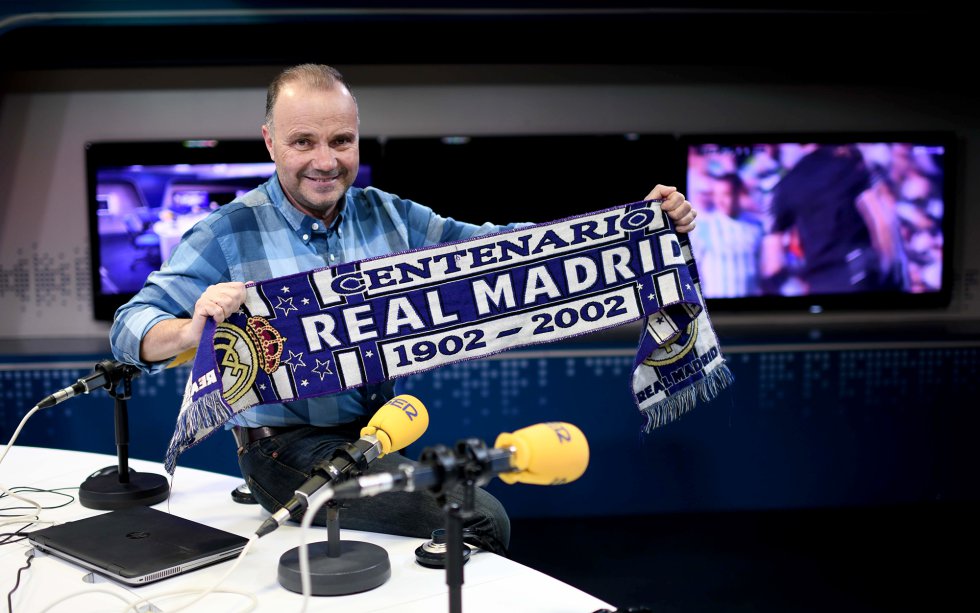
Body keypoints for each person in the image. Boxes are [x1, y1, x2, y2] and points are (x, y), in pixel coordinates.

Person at [109, 63, 698, 556]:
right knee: (482, 518)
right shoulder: (226, 232)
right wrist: (191, 329)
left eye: (341, 141)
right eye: (303, 142)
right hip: (283, 452)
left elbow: (501, 252)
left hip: (379, 434)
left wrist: (632, 229)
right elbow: (130, 327)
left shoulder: (389, 215)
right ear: (270, 142)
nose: (325, 160)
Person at [691, 173, 765, 298]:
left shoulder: (756, 226)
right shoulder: (703, 227)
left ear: (739, 194)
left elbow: (763, 269)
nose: (720, 201)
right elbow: (692, 269)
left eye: (726, 194)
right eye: (716, 195)